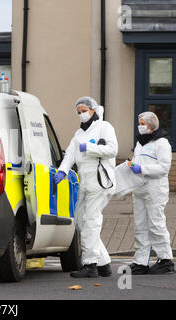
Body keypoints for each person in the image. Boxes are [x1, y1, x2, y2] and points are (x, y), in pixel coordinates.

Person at [54, 96, 118, 278]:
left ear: (93, 110)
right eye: (79, 112)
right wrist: (62, 172)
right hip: (86, 182)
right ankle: (104, 263)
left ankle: (90, 265)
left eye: (85, 111)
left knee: (91, 221)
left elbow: (113, 150)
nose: (82, 114)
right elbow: (70, 155)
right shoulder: (78, 134)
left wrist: (90, 148)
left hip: (100, 180)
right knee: (81, 221)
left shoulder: (105, 128)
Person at [128, 111, 175, 275]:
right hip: (139, 188)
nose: (140, 126)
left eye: (143, 123)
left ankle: (165, 260)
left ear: (152, 125)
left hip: (155, 189)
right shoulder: (141, 143)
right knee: (140, 225)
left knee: (156, 223)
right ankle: (140, 261)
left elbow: (163, 168)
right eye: (139, 123)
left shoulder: (162, 143)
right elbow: (137, 161)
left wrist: (142, 169)